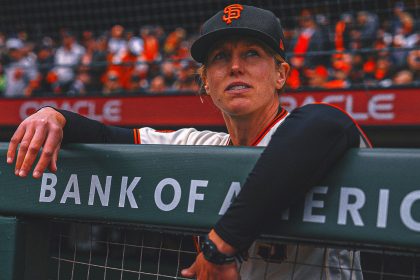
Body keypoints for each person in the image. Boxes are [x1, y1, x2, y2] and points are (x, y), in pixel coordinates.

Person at [7, 4, 370, 279]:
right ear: (206, 83)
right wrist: (52, 115)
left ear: (281, 74)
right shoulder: (198, 143)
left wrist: (220, 247)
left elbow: (327, 123)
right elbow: (106, 136)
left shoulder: (309, 130)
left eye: (252, 54)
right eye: (220, 58)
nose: (235, 67)